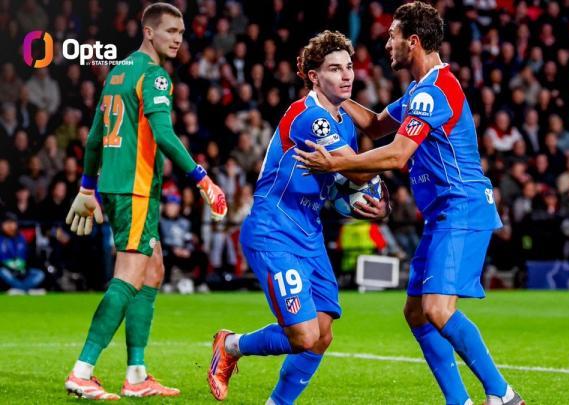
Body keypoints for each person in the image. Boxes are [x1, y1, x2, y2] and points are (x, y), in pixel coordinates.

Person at [293, 3, 523, 404]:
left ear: (412, 42)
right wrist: (331, 95)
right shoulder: (419, 92)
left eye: (392, 36)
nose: (387, 44)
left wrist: (336, 163)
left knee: (437, 309)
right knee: (416, 313)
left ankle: (503, 395)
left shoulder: (435, 92)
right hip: (442, 215)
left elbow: (398, 153)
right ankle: (459, 400)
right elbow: (375, 125)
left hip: (462, 207)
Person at [207, 30, 388, 403]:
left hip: (309, 233)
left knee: (322, 333)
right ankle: (230, 346)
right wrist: (400, 155)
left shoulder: (345, 123)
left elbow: (342, 181)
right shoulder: (309, 117)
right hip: (273, 230)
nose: (346, 75)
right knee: (304, 335)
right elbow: (356, 171)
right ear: (314, 76)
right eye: (335, 68)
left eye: (349, 66)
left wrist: (374, 205)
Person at [63, 3, 227, 400]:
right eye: (170, 31)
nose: (178, 39)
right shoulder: (155, 76)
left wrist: (87, 188)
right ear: (149, 32)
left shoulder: (118, 72)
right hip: (135, 189)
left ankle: (136, 375)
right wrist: (203, 179)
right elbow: (165, 135)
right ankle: (82, 371)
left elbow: (93, 138)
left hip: (117, 186)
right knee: (129, 276)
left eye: (181, 33)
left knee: (153, 269)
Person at [0, 211, 45, 295]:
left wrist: (23, 268)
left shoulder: (21, 237)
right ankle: (27, 290)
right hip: (7, 270)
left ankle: (18, 289)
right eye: (7, 223)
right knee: (2, 272)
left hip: (22, 270)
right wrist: (10, 267)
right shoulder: (1, 238)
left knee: (39, 274)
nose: (10, 226)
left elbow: (26, 256)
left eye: (12, 222)